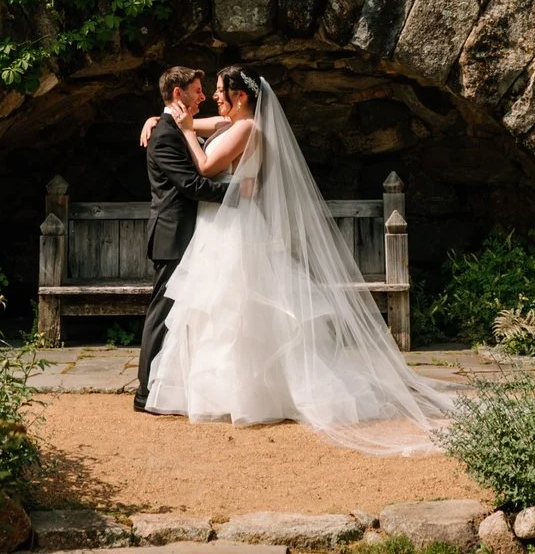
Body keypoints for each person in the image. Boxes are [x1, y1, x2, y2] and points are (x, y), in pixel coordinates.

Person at [138, 66, 456, 455]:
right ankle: (221, 391)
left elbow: (204, 168)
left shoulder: (246, 128)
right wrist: (159, 118)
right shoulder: (231, 123)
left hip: (232, 227)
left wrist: (187, 132)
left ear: (240, 97)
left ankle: (249, 393)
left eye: (220, 90)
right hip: (220, 226)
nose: (214, 96)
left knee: (236, 307)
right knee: (222, 310)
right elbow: (194, 122)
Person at [134, 66, 228, 414]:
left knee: (181, 313)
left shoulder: (173, 127)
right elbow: (190, 185)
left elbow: (223, 125)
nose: (203, 96)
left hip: (188, 233)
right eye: (198, 90)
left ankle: (172, 384)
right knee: (163, 311)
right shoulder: (164, 136)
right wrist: (237, 193)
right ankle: (145, 390)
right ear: (178, 93)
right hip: (172, 234)